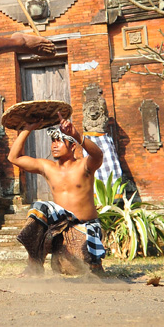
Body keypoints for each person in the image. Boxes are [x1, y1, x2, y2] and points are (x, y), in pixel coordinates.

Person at [8, 114, 105, 275]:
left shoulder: (84, 166)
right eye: (53, 141)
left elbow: (98, 155)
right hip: (59, 227)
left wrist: (76, 135)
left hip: (85, 227)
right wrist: (27, 129)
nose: (54, 145)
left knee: (87, 270)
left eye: (59, 141)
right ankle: (35, 265)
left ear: (73, 146)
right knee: (39, 207)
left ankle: (94, 264)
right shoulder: (48, 167)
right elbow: (13, 157)